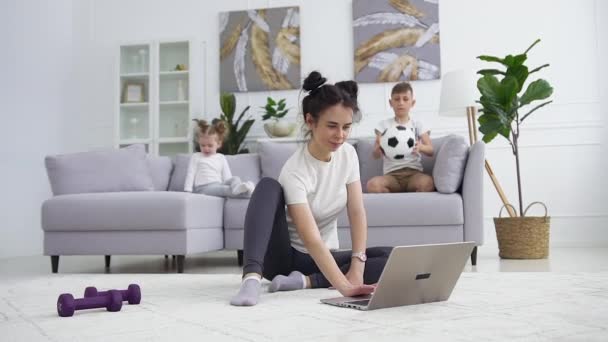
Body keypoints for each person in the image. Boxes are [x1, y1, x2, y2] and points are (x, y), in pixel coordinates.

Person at [230, 71, 393, 307]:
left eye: (346, 127)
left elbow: (357, 212)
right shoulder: (295, 170)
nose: (340, 135)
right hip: (285, 257)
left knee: (391, 257)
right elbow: (311, 239)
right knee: (268, 186)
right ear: (310, 121)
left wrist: (357, 266)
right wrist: (344, 286)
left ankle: (306, 281)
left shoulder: (348, 154)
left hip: (320, 259)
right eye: (332, 126)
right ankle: (251, 279)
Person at [367, 82, 435, 193]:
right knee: (372, 185)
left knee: (427, 183)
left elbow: (431, 151)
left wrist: (421, 147)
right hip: (392, 176)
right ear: (390, 102)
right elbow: (375, 155)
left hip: (414, 173)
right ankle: (394, 203)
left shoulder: (417, 124)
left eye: (405, 99)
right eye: (397, 99)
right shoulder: (383, 125)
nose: (401, 103)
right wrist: (379, 149)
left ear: (412, 103)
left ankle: (411, 205)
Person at [184, 119, 255, 197]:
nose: (206, 148)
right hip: (203, 188)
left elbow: (227, 176)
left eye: (210, 145)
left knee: (235, 178)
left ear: (218, 144)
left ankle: (238, 188)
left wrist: (230, 184)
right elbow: (190, 174)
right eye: (203, 145)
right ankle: (248, 193)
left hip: (219, 184)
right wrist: (188, 191)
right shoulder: (196, 156)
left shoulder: (221, 157)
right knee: (225, 190)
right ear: (199, 143)